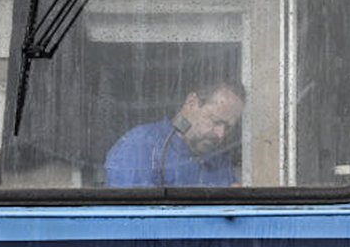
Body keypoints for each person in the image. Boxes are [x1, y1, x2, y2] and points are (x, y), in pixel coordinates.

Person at [104, 80, 246, 188]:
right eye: (215, 122)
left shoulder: (218, 160)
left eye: (228, 128)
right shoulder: (139, 147)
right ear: (191, 102)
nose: (220, 134)